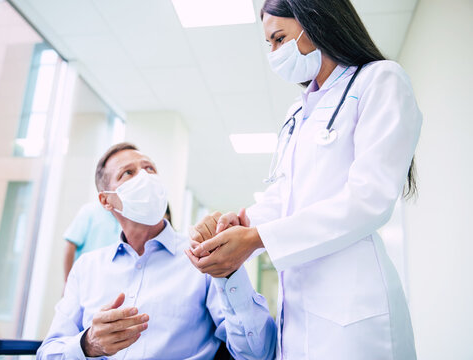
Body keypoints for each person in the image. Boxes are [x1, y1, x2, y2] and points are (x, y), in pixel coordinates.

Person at [187, 0, 421, 359]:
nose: (275, 53)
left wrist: (256, 238)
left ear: (316, 21)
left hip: (355, 314)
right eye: (270, 44)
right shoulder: (299, 110)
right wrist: (240, 222)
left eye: (279, 39)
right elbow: (286, 194)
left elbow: (368, 199)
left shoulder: (380, 79)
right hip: (298, 313)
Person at [37, 142, 276, 360]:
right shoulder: (87, 267)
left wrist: (230, 272)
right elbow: (48, 353)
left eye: (149, 168)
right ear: (106, 201)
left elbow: (257, 354)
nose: (145, 178)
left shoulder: (203, 257)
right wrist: (88, 344)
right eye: (128, 173)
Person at [63, 201, 121, 282]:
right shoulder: (89, 211)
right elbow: (70, 246)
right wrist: (67, 282)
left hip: (111, 281)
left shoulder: (127, 215)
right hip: (85, 279)